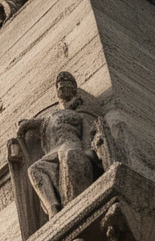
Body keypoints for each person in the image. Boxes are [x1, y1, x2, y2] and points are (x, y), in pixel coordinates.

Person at [16, 72, 99, 215]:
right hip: (53, 152)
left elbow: (87, 141)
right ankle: (52, 208)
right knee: (35, 169)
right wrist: (23, 125)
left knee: (69, 155)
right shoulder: (49, 117)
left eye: (68, 86)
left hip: (71, 146)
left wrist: (89, 153)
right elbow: (31, 124)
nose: (63, 88)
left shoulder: (79, 117)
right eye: (61, 87)